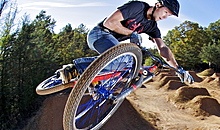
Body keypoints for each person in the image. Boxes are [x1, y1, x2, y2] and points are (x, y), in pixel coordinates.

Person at [56, 0, 193, 84]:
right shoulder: (137, 7)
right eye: (166, 12)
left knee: (128, 64)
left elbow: (162, 48)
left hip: (111, 42)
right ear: (158, 5)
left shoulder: (152, 27)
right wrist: (132, 34)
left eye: (169, 15)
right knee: (125, 58)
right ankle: (74, 69)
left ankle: (96, 81)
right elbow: (109, 22)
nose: (165, 17)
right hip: (99, 34)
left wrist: (178, 69)